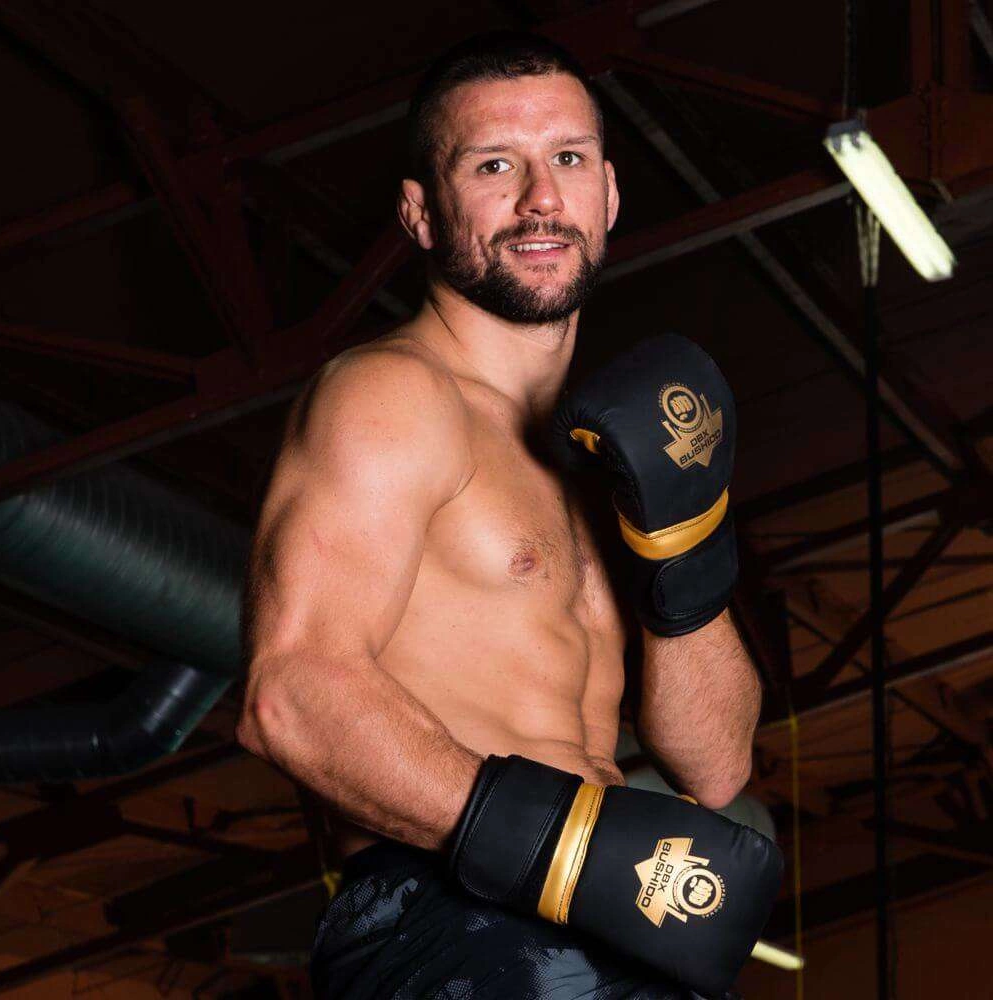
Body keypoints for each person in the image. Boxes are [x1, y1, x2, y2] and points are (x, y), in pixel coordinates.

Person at [236, 30, 769, 1000]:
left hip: (606, 914)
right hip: (454, 917)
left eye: (567, 158)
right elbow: (293, 696)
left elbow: (718, 763)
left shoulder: (602, 453)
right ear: (420, 212)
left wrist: (687, 549)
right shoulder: (392, 397)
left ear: (608, 193)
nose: (540, 200)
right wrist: (558, 847)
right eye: (494, 165)